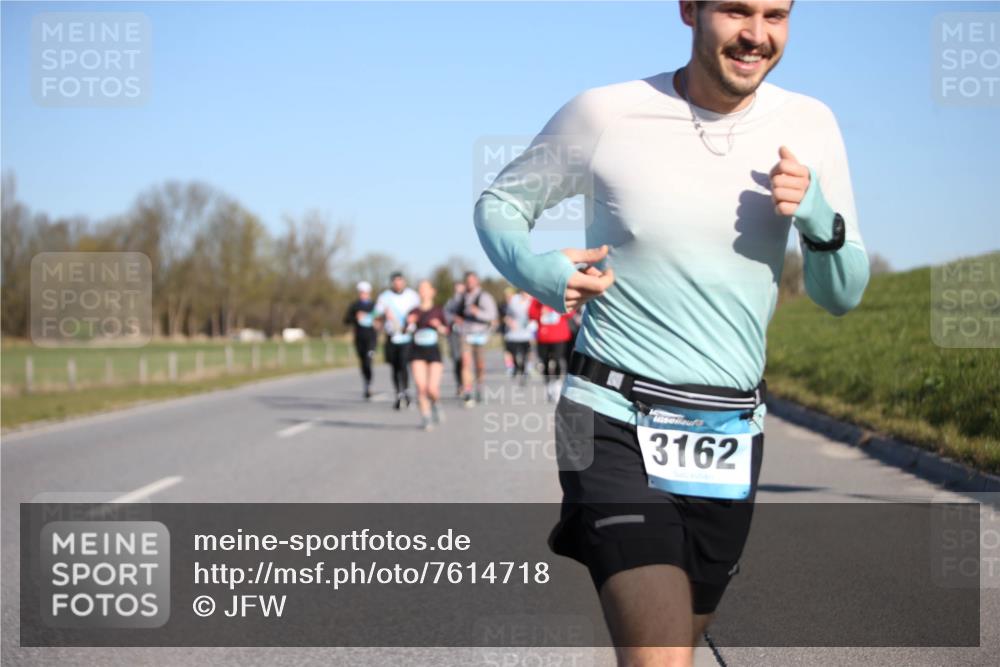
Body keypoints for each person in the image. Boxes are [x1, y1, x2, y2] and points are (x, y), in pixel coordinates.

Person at [473, 1, 870, 664]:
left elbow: (842, 293)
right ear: (689, 9)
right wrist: (537, 270)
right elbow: (501, 206)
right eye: (736, 11)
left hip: (729, 435)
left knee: (675, 639)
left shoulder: (811, 124)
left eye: (776, 14)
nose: (756, 34)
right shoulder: (606, 113)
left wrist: (819, 216)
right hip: (609, 414)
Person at [406, 280, 450, 430]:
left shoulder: (438, 310)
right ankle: (426, 417)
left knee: (432, 388)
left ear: (432, 291)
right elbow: (405, 330)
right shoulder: (413, 311)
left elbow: (446, 331)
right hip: (417, 351)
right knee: (421, 386)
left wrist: (438, 326)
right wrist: (409, 323)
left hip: (433, 351)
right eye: (420, 289)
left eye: (425, 289)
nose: (423, 292)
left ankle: (436, 404)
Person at [374, 271, 421, 410]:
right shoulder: (384, 297)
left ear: (404, 282)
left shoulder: (412, 296)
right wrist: (382, 315)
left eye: (400, 281)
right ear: (392, 283)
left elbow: (419, 312)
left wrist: (413, 321)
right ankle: (399, 394)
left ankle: (406, 391)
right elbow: (375, 314)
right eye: (395, 281)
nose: (398, 283)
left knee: (403, 364)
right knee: (394, 367)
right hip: (391, 335)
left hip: (407, 335)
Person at [458, 271, 498, 407]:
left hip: (480, 335)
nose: (469, 283)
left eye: (472, 281)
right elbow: (449, 311)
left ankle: (479, 386)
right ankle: (468, 391)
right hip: (465, 334)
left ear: (477, 282)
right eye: (467, 281)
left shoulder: (484, 297)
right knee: (466, 363)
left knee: (479, 365)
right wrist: (454, 319)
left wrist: (478, 312)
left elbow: (492, 316)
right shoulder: (461, 297)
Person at [529, 296, 574, 402]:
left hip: (559, 336)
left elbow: (570, 312)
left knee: (558, 360)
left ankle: (557, 384)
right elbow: (531, 313)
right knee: (544, 362)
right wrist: (541, 312)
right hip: (543, 336)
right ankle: (548, 382)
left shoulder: (560, 296)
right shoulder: (537, 298)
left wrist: (555, 310)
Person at [342, 281, 378, 399]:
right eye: (361, 292)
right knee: (363, 363)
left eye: (365, 292)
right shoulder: (355, 306)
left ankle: (369, 384)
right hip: (359, 338)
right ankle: (366, 383)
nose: (363, 294)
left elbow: (381, 319)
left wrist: (377, 322)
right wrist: (355, 317)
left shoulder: (374, 306)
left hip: (371, 338)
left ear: (369, 293)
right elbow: (346, 320)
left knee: (368, 361)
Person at [504, 288, 535, 386]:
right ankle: (515, 367)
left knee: (528, 352)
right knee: (511, 352)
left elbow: (537, 314)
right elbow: (506, 315)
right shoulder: (513, 300)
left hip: (527, 332)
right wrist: (509, 322)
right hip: (513, 333)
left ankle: (527, 369)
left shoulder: (533, 300)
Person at [443, 281, 467, 396]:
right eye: (457, 289)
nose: (459, 291)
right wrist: (454, 318)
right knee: (457, 360)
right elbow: (445, 315)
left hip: (467, 334)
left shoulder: (468, 301)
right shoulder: (450, 302)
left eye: (461, 288)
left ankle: (468, 385)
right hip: (454, 334)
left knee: (466, 361)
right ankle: (459, 384)